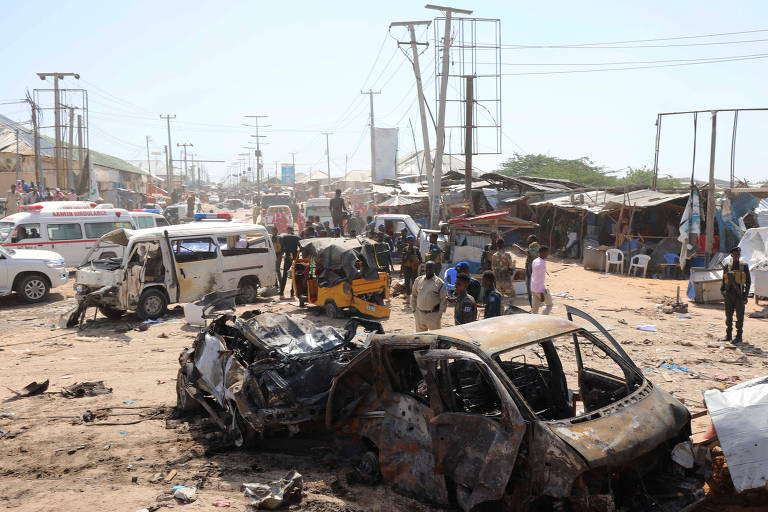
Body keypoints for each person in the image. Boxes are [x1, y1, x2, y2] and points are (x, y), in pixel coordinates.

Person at [721, 246, 751, 344]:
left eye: (738, 254)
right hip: (729, 294)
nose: (736, 256)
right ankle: (728, 335)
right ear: (731, 255)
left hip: (739, 295)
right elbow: (723, 281)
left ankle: (739, 336)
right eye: (735, 254)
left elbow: (748, 282)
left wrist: (745, 296)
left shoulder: (744, 266)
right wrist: (723, 292)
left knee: (740, 317)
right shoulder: (727, 266)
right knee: (728, 316)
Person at [411, 261, 447, 331]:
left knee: (435, 338)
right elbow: (414, 295)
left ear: (434, 269)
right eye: (427, 267)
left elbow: (443, 300)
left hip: (433, 316)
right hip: (419, 315)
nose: (428, 270)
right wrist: (414, 310)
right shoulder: (418, 280)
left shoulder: (440, 283)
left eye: (430, 268)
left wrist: (439, 315)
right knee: (420, 339)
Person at [279, 226, 301, 298]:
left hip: (287, 257)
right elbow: (301, 247)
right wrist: (297, 252)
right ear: (293, 230)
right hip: (294, 258)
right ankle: (292, 293)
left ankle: (281, 293)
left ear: (288, 230)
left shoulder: (284, 237)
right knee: (293, 276)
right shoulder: (297, 237)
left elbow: (282, 247)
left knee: (285, 276)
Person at [530, 245, 553, 315]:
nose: (547, 254)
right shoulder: (542, 264)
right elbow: (540, 279)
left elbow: (534, 274)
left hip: (533, 287)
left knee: (534, 310)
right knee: (549, 305)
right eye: (546, 253)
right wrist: (542, 293)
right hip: (539, 289)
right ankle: (543, 318)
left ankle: (533, 323)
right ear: (542, 253)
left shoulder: (535, 260)